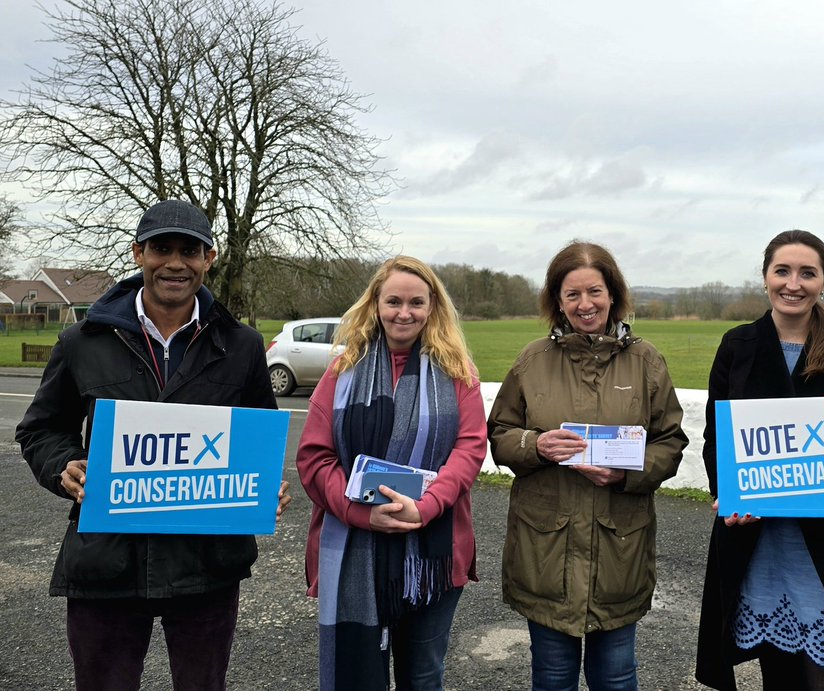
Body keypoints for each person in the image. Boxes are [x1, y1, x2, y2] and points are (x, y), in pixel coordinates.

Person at [16, 199, 292, 691]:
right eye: (162, 248)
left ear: (209, 258)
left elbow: (257, 436)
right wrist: (64, 465)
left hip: (207, 564)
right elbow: (40, 429)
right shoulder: (83, 340)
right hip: (108, 561)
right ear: (138, 253)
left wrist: (265, 487)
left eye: (190, 250)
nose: (175, 263)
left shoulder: (243, 344)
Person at [694, 230, 824, 690]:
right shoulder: (738, 344)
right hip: (759, 540)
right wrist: (725, 491)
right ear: (765, 277)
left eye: (807, 273)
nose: (794, 283)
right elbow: (718, 434)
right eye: (782, 271)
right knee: (779, 672)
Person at [487, 240, 688, 691]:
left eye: (594, 291)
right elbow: (500, 434)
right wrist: (536, 445)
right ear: (557, 301)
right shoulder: (532, 360)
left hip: (619, 549)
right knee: (553, 678)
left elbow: (670, 441)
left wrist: (626, 473)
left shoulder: (646, 361)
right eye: (572, 294)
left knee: (616, 678)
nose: (585, 304)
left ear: (612, 293)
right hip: (546, 551)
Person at [296, 255, 486, 690]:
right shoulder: (341, 373)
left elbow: (470, 448)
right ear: (375, 305)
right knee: (361, 678)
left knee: (423, 676)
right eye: (393, 301)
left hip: (433, 552)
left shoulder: (459, 374)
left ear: (433, 307)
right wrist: (360, 513)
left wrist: (425, 508)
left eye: (417, 302)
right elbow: (314, 458)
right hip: (355, 547)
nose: (405, 312)